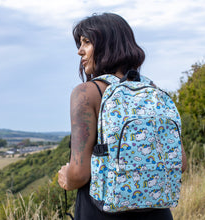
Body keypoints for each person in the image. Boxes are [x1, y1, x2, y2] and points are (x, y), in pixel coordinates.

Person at [58, 13, 187, 220]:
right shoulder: (153, 90)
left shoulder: (86, 93)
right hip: (157, 212)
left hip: (101, 211)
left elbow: (79, 174)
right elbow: (180, 163)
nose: (79, 51)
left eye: (87, 42)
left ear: (107, 45)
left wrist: (66, 177)